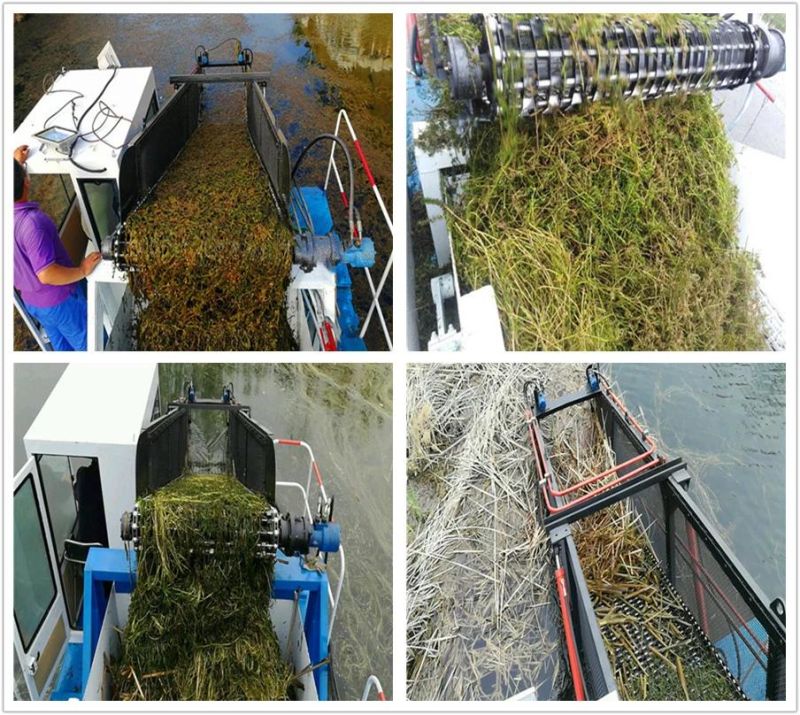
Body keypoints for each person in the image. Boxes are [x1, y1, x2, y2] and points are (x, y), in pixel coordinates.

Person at [14, 145, 101, 350]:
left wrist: (17, 164)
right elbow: (46, 274)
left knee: (62, 348)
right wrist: (82, 270)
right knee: (91, 346)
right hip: (60, 301)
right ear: (26, 182)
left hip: (33, 304)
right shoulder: (32, 224)